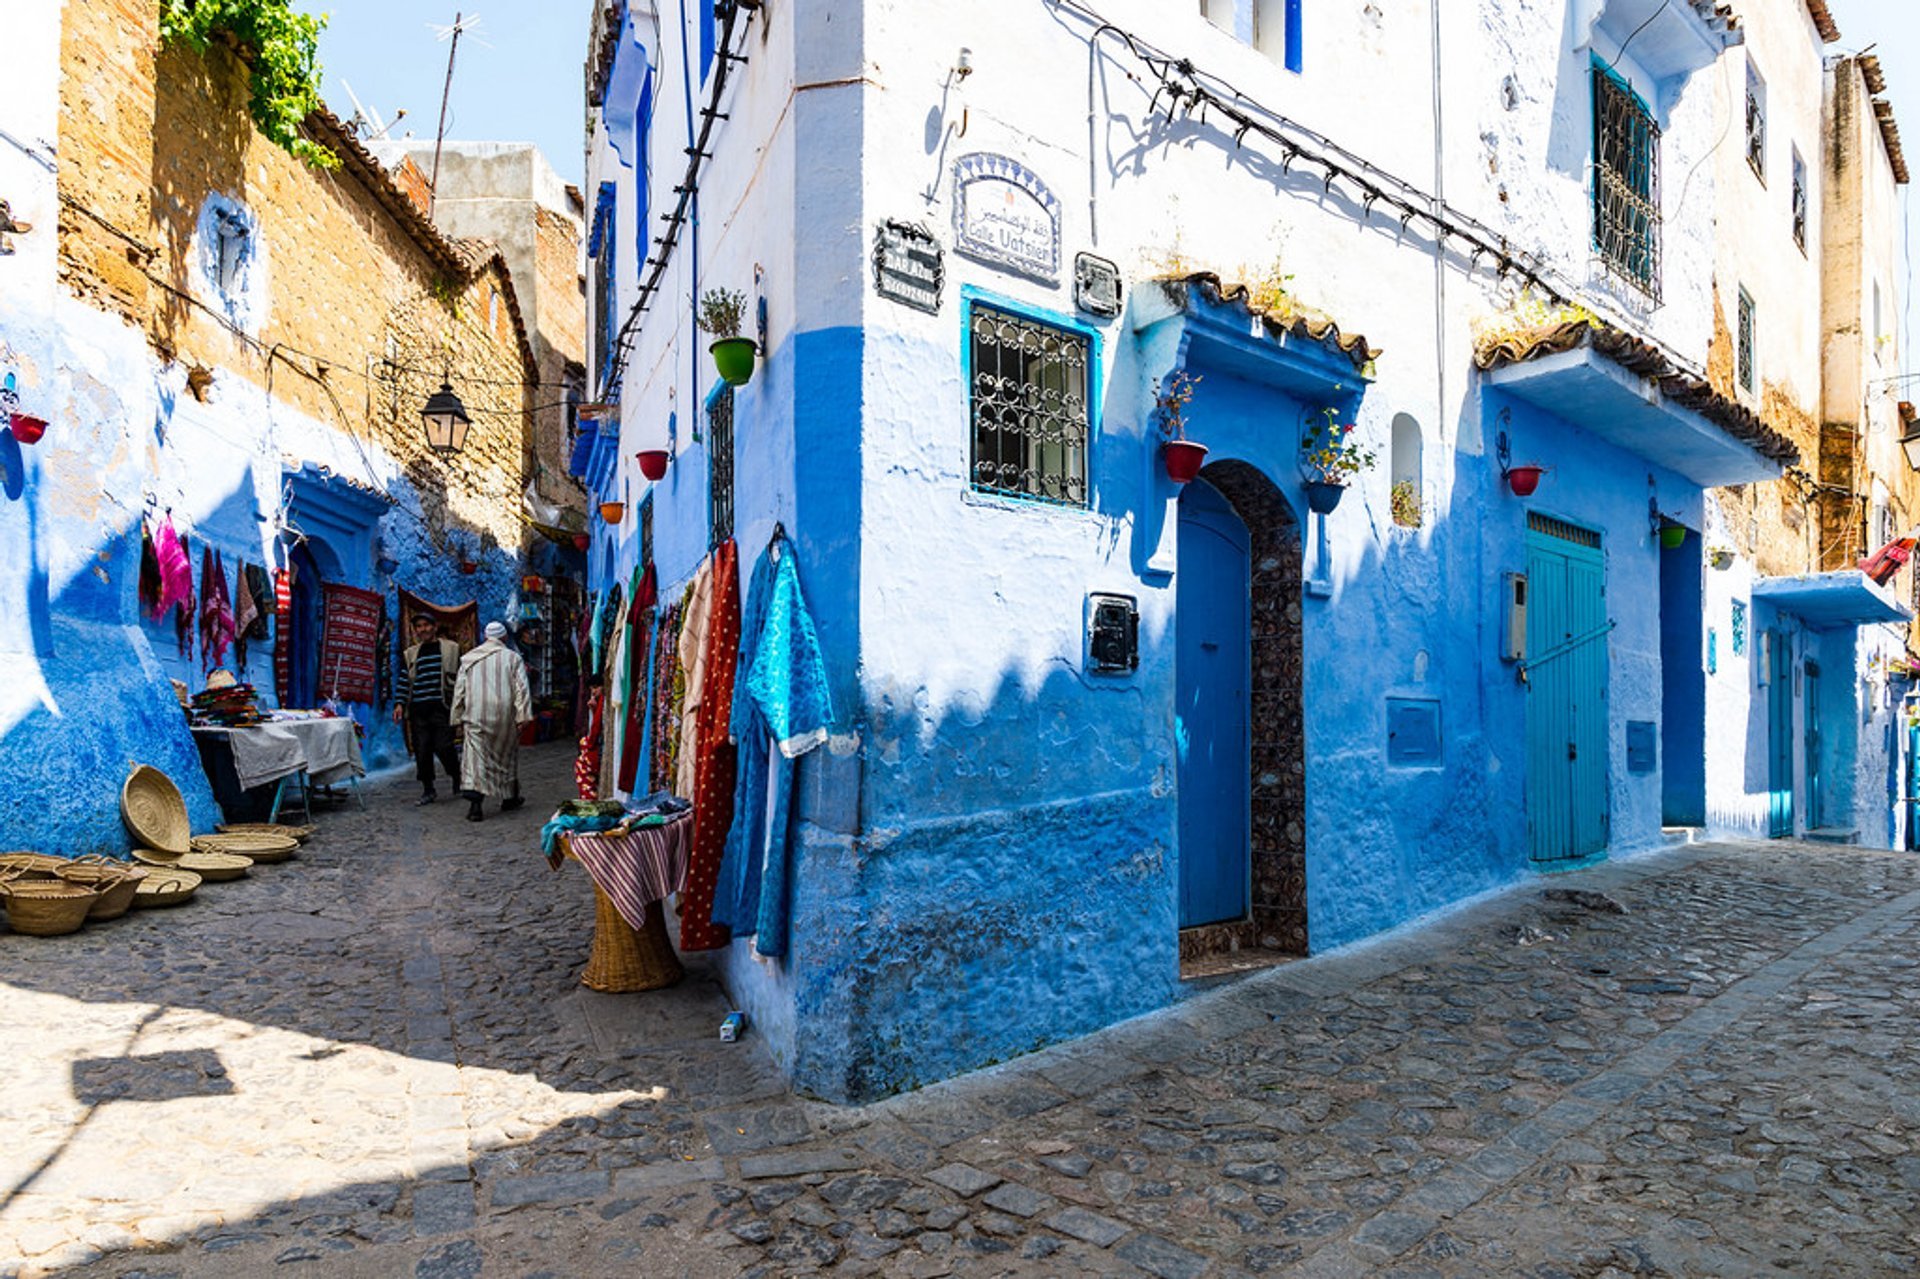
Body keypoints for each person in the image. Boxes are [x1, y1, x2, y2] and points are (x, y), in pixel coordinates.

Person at [450, 620, 534, 822]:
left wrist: (456, 715)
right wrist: (524, 715)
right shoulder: (513, 658)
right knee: (507, 756)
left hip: (476, 714)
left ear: (486, 638)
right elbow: (521, 689)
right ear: (504, 638)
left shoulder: (469, 659)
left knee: (475, 760)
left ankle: (475, 805)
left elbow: (459, 689)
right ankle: (509, 797)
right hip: (504, 715)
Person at [395, 613, 461, 805]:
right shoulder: (411, 654)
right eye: (419, 626)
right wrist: (399, 703)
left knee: (444, 746)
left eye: (426, 625)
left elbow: (462, 675)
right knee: (422, 750)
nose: (423, 629)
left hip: (441, 707)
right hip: (418, 710)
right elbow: (404, 680)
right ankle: (428, 789)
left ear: (434, 627)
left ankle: (456, 776)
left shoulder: (451, 649)